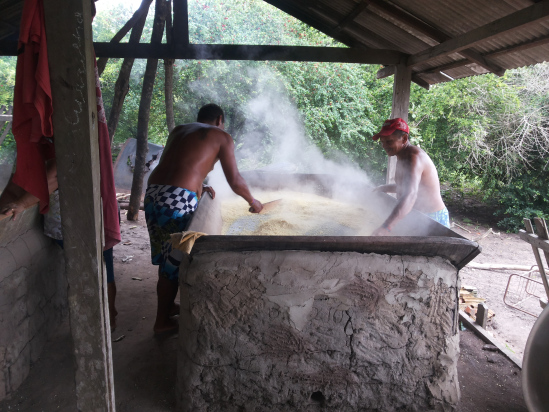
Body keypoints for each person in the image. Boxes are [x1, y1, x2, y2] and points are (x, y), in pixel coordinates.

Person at [145, 103, 263, 335]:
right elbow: (236, 180)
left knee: (166, 257)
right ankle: (161, 323)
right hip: (177, 198)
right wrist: (253, 201)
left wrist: (200, 185)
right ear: (220, 119)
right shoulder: (222, 136)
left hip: (153, 193)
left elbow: (181, 166)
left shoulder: (179, 130)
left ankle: (167, 309)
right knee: (175, 261)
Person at [0, 159, 120, 331]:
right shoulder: (47, 147)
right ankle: (105, 317)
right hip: (81, 221)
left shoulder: (67, 142)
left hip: (83, 221)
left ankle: (105, 320)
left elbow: (52, 178)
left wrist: (22, 204)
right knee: (97, 269)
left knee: (96, 271)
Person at [371, 118, 449, 235]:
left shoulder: (415, 157)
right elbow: (403, 187)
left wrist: (386, 227)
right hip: (415, 216)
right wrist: (383, 188)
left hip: (432, 218)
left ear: (404, 139)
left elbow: (411, 194)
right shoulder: (401, 155)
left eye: (389, 142)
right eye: (382, 142)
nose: (384, 146)